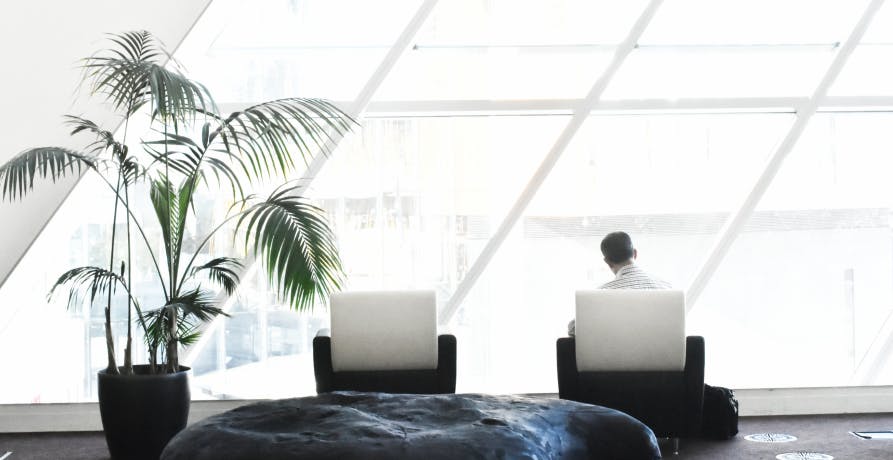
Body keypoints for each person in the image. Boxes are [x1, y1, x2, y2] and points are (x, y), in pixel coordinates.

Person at [568, 231, 671, 336]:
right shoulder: (667, 287)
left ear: (607, 262)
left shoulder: (600, 295)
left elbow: (573, 329)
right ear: (635, 253)